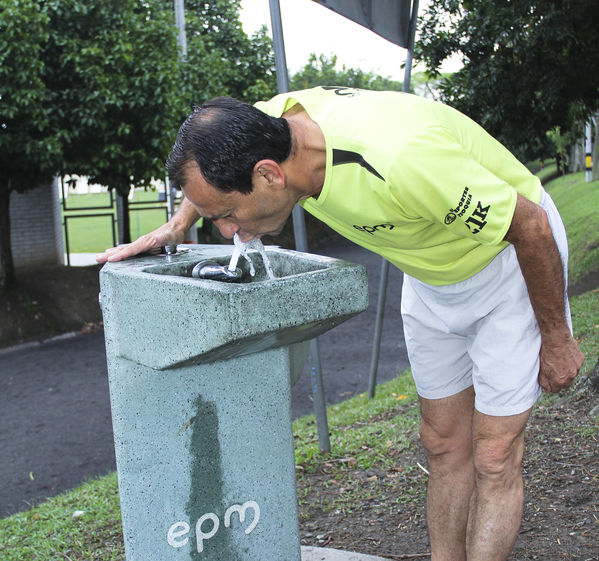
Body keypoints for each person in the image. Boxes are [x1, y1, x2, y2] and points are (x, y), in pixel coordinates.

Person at [97, 87, 584, 561]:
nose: (227, 232)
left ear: (268, 175)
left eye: (225, 215)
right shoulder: (270, 127)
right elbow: (207, 152)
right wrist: (180, 222)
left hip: (510, 264)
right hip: (431, 275)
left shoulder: (400, 159)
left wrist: (557, 337)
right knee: (442, 442)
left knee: (494, 454)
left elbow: (532, 227)